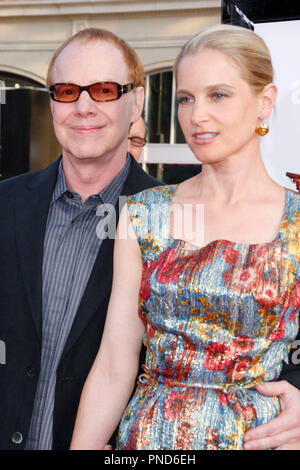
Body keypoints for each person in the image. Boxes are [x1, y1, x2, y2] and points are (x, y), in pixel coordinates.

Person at [70, 24, 300, 451]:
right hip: (149, 441)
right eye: (185, 99)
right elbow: (114, 366)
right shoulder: (144, 214)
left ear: (264, 102)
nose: (197, 116)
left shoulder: (297, 221)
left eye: (218, 95)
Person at [0, 27, 160, 450]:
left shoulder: (175, 221)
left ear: (136, 102)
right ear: (51, 102)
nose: (83, 107)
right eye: (67, 91)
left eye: (104, 90)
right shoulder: (4, 205)